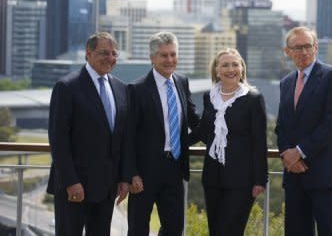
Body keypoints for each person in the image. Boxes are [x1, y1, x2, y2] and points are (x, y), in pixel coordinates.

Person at [47, 32, 130, 236]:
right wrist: (71, 182)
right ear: (88, 53)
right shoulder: (67, 87)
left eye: (113, 53)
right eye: (104, 53)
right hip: (75, 187)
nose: (110, 58)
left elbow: (122, 138)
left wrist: (123, 177)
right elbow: (58, 140)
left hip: (106, 188)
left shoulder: (121, 88)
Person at [275, 26, 332, 236]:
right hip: (294, 176)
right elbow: (282, 127)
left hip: (323, 174)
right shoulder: (286, 83)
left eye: (308, 46)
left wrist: (299, 151)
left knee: (328, 231)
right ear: (287, 52)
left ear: (316, 47)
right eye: (297, 48)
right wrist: (288, 157)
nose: (304, 52)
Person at [126, 31, 199, 236]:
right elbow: (128, 137)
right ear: (152, 58)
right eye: (164, 55)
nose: (170, 60)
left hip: (174, 168)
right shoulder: (137, 89)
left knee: (174, 228)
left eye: (173, 54)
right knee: (138, 228)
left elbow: (194, 120)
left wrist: (221, 124)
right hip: (144, 172)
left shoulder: (182, 82)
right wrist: (131, 174)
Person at [192, 48, 268, 236]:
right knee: (215, 230)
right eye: (225, 65)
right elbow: (203, 131)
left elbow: (259, 142)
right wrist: (170, 143)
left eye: (235, 64)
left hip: (242, 179)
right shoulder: (209, 97)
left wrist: (260, 179)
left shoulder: (253, 98)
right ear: (217, 70)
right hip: (212, 177)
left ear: (242, 69)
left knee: (231, 230)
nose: (231, 69)